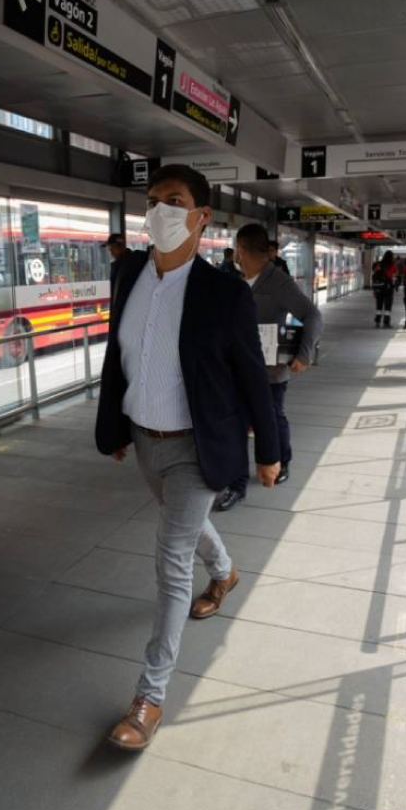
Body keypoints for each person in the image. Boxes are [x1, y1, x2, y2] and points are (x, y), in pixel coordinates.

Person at [96, 164, 281, 752]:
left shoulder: (224, 292)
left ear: (202, 217)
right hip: (145, 436)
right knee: (186, 522)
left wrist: (271, 451)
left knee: (170, 560)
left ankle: (149, 696)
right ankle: (225, 571)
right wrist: (117, 424)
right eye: (152, 201)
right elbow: (119, 357)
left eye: (173, 201)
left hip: (196, 445)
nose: (158, 212)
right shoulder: (128, 272)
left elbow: (253, 376)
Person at [213, 223, 323, 512]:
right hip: (237, 369)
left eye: (237, 249)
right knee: (237, 425)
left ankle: (281, 460)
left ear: (242, 249)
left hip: (271, 370)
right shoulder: (234, 281)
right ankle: (236, 485)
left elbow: (312, 314)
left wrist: (304, 354)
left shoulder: (279, 282)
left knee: (273, 418)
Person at [371, 251, 396, 328]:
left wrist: (374, 289)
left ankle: (377, 322)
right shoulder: (392, 265)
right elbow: (393, 275)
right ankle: (386, 322)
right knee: (387, 306)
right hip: (388, 287)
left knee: (379, 305)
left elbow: (374, 275)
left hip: (379, 287)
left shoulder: (378, 264)